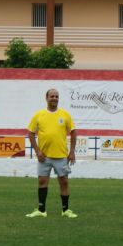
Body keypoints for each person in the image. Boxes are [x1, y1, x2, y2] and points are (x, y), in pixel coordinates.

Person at [26, 88, 78, 218]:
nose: (54, 98)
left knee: (64, 182)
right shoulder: (39, 115)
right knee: (42, 181)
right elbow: (30, 133)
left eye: (56, 96)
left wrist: (72, 152)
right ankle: (41, 210)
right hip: (44, 157)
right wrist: (37, 151)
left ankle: (65, 210)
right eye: (52, 96)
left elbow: (73, 132)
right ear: (46, 98)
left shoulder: (65, 115)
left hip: (61, 156)